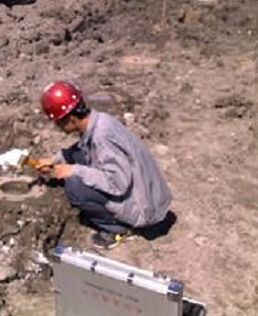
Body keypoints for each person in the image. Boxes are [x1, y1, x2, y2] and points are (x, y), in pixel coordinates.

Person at [37, 81, 172, 249]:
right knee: (78, 159)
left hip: (144, 210)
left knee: (74, 185)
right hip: (146, 194)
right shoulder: (99, 121)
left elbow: (117, 184)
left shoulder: (102, 137)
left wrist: (74, 170)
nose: (57, 127)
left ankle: (118, 229)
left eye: (58, 122)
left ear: (71, 118)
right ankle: (113, 215)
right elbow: (84, 148)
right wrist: (57, 158)